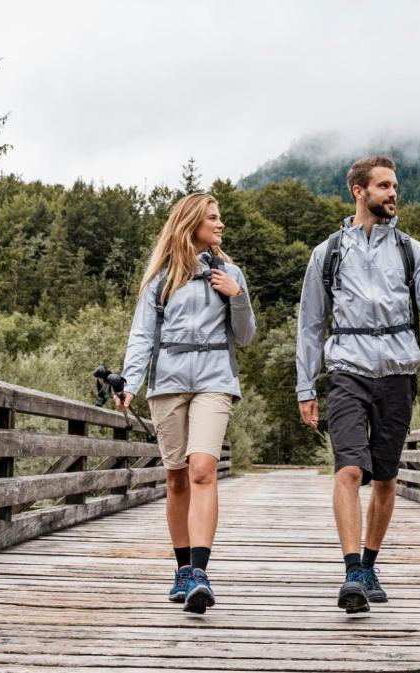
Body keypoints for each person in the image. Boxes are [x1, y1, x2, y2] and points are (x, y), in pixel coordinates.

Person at [295, 155, 420, 613]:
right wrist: (305, 387)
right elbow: (310, 323)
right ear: (359, 191)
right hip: (347, 369)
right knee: (349, 469)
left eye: (395, 187)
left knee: (386, 477)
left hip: (397, 373)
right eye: (385, 186)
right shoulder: (328, 252)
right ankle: (351, 571)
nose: (393, 194)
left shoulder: (411, 251)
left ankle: (370, 564)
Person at [117, 192, 256, 614]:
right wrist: (130, 383)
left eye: (220, 218)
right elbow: (142, 337)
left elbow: (246, 336)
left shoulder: (230, 273)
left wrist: (237, 295)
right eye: (213, 218)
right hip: (169, 383)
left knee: (202, 470)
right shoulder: (161, 279)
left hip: (216, 380)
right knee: (176, 477)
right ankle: (181, 571)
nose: (220, 224)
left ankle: (200, 572)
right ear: (191, 222)